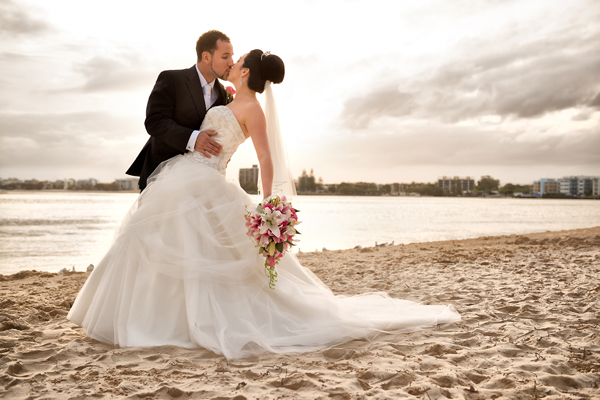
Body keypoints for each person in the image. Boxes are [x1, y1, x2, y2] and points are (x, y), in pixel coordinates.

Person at [67, 49, 460, 360]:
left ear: (245, 72)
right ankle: (150, 316)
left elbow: (266, 161)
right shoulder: (226, 96)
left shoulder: (252, 108)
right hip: (185, 174)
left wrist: (268, 206)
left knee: (194, 251)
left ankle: (176, 324)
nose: (232, 62)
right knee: (159, 240)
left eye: (236, 60)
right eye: (230, 57)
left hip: (205, 180)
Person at [126, 30, 234, 191]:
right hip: (160, 178)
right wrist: (193, 138)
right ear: (206, 57)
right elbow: (154, 122)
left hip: (201, 183)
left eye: (232, 56)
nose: (231, 62)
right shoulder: (172, 79)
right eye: (225, 57)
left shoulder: (225, 95)